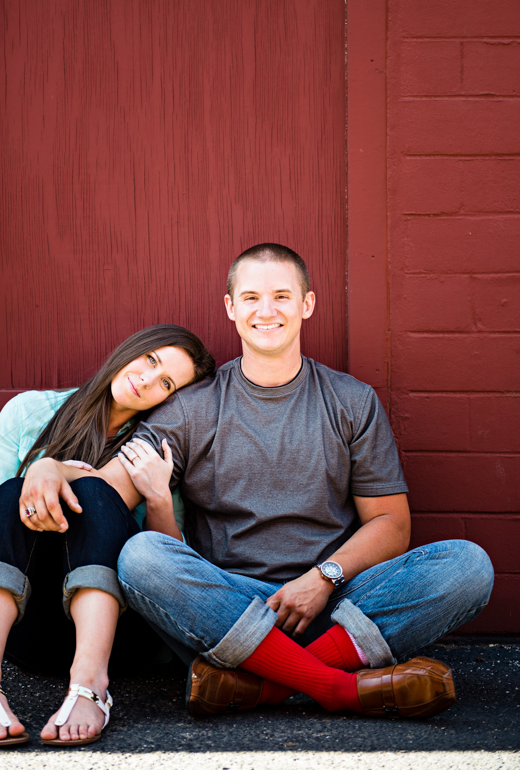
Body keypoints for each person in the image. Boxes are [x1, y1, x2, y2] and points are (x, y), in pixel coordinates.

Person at [25, 244, 494, 721]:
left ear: (307, 305)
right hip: (225, 607)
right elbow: (108, 491)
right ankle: (333, 686)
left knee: (467, 566)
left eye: (281, 297)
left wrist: (322, 579)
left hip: (337, 603)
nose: (266, 311)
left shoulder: (352, 402)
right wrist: (53, 468)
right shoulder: (192, 408)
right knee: (142, 559)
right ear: (230, 309)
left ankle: (261, 684)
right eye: (250, 298)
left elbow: (392, 524)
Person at [0, 324, 215, 747]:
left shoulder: (154, 448)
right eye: (150, 360)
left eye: (166, 383)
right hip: (32, 630)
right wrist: (41, 483)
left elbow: (171, 567)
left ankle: (90, 684)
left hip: (123, 639)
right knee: (11, 492)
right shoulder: (30, 413)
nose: (146, 379)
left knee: (95, 492)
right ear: (132, 349)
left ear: (170, 399)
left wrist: (157, 500)